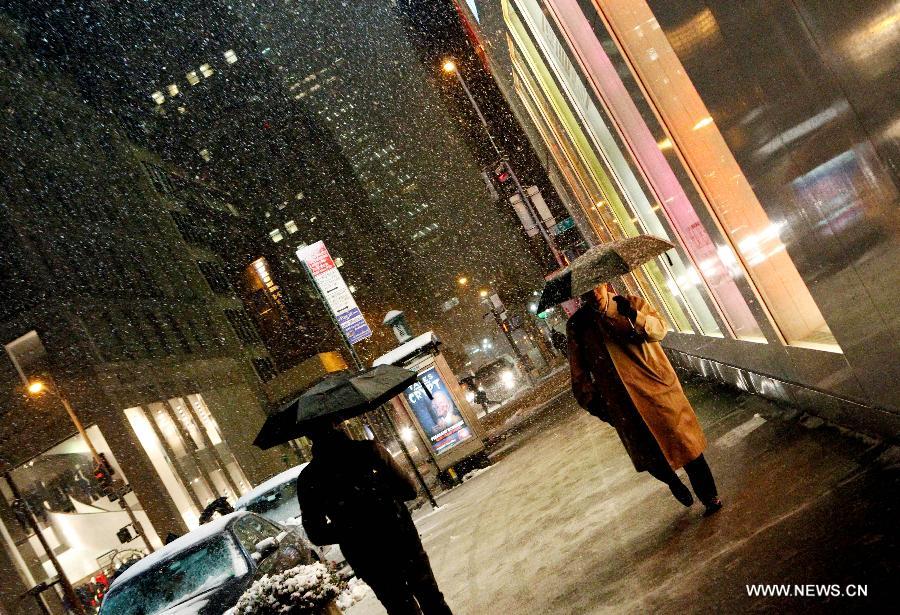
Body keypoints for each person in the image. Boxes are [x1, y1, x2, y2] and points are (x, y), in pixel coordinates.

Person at [567, 283, 723, 515]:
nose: (592, 293)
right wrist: (596, 404)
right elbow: (578, 374)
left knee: (686, 446)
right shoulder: (578, 325)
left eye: (595, 287)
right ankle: (672, 481)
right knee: (649, 457)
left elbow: (659, 330)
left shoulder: (630, 303)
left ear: (603, 283)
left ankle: (710, 497)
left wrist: (635, 316)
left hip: (657, 391)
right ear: (579, 294)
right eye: (586, 290)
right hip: (621, 403)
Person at [297, 419, 453, 615]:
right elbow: (408, 490)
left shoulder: (309, 479)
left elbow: (316, 533)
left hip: (365, 555)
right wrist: (382, 500)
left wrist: (350, 528)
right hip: (401, 540)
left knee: (400, 608)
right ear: (337, 424)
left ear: (309, 437)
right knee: (431, 598)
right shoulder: (369, 451)